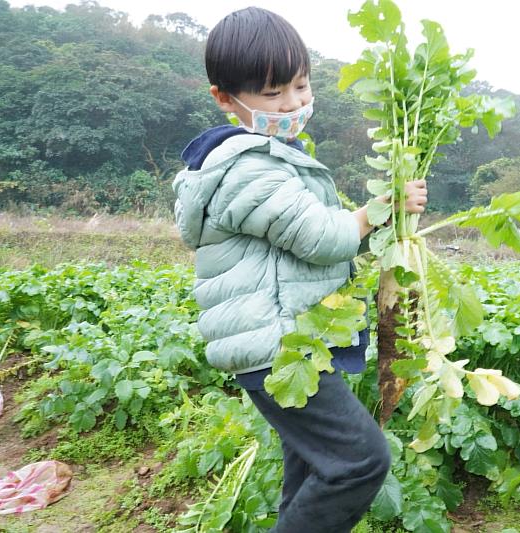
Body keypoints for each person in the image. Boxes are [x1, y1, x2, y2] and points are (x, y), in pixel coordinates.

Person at [172, 8, 428, 532]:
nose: (292, 104)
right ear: (225, 98)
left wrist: (384, 220)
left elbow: (317, 240)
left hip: (295, 341)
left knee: (314, 467)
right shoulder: (246, 168)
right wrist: (379, 209)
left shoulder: (276, 158)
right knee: (361, 461)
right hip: (278, 347)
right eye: (272, 94)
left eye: (301, 87)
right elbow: (321, 236)